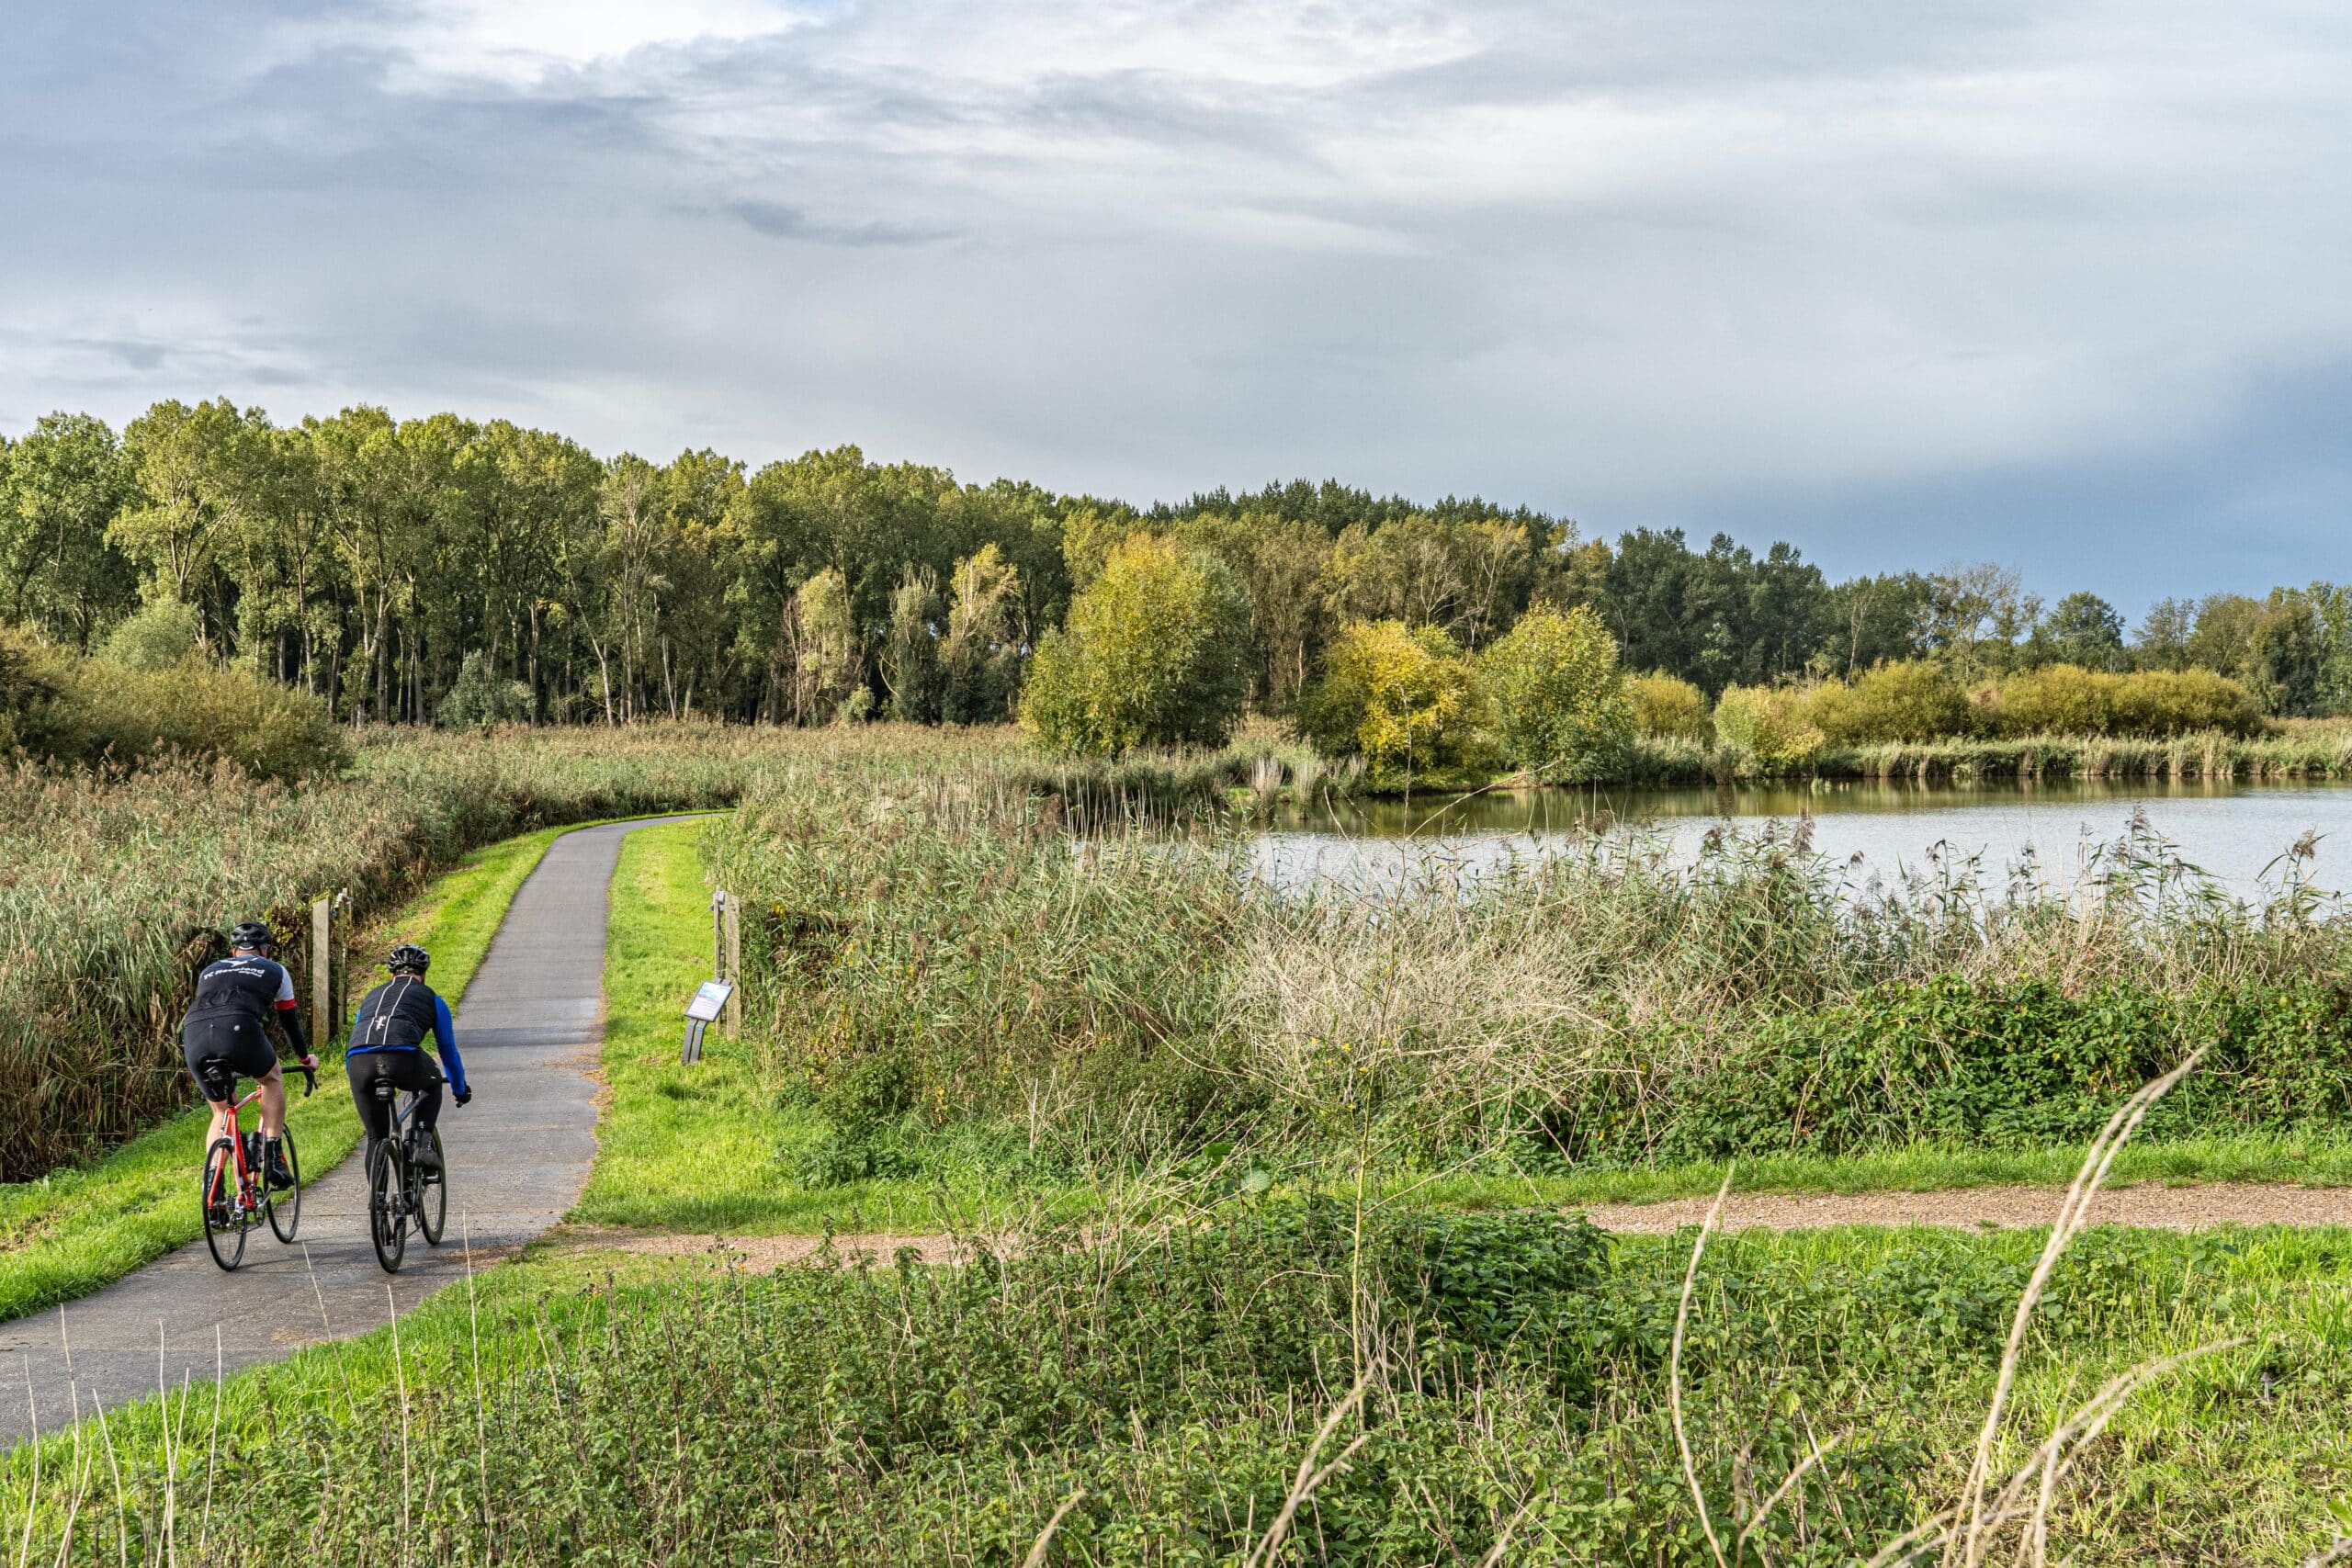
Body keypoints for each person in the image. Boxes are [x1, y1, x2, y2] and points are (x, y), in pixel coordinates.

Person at [180, 920, 316, 1191]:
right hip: (238, 1028)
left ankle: (213, 1187)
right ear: (265, 950)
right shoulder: (275, 970)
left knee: (221, 1110)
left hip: (194, 1034)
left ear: (234, 952)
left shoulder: (209, 970)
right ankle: (273, 1155)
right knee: (271, 1079)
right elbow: (289, 1023)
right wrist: (304, 1059)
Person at [346, 943, 471, 1170]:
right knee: (432, 1081)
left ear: (392, 975)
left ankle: (376, 1193)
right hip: (401, 1057)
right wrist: (460, 1089)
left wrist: (356, 1079)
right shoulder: (432, 998)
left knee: (375, 1138)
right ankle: (421, 1145)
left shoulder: (370, 997)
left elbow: (357, 1037)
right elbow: (447, 1050)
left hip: (358, 1061)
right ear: (423, 975)